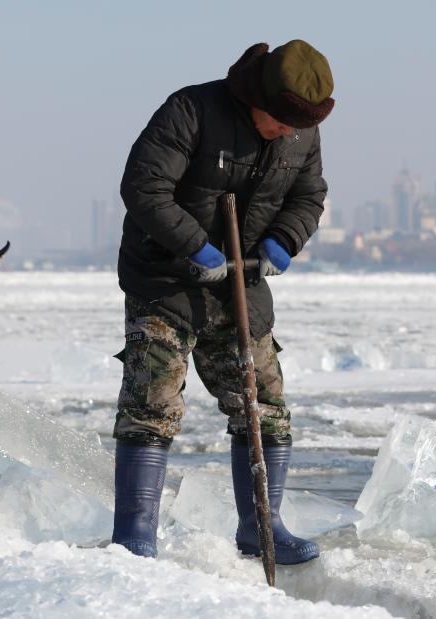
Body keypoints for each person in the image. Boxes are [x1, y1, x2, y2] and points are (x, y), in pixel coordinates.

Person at [112, 40, 334, 565]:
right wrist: (193, 246)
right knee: (151, 407)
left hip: (243, 285)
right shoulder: (191, 110)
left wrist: (285, 240)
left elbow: (309, 195)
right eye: (277, 121)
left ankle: (262, 526)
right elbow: (144, 187)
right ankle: (134, 537)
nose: (284, 132)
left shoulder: (302, 131)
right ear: (256, 95)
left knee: (264, 409)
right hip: (165, 281)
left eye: (292, 126)